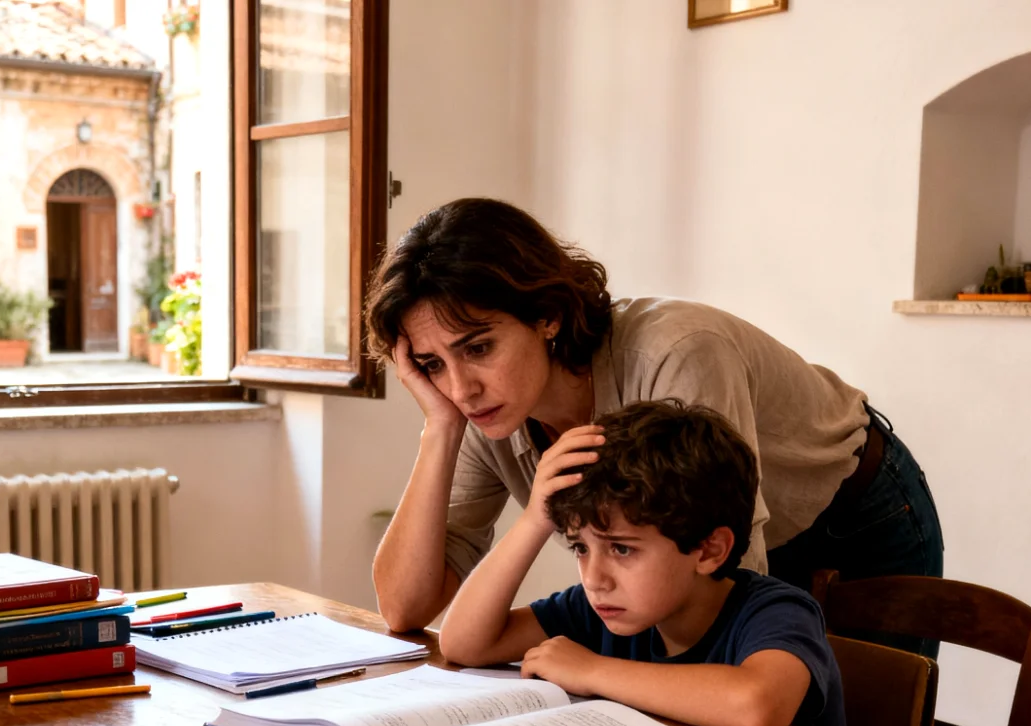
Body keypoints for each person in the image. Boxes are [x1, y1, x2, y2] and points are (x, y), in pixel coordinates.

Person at [365, 198, 942, 656]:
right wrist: (439, 429)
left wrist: (604, 675)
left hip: (856, 514)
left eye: (480, 347)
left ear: (548, 316)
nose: (461, 388)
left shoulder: (677, 354)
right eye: (433, 364)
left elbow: (734, 586)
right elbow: (405, 609)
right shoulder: (478, 411)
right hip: (711, 562)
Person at [437, 401, 844, 726]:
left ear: (708, 550)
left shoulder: (778, 612)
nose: (594, 578)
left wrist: (592, 671)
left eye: (621, 549)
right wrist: (534, 519)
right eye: (581, 547)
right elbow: (464, 644)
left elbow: (756, 705)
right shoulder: (602, 610)